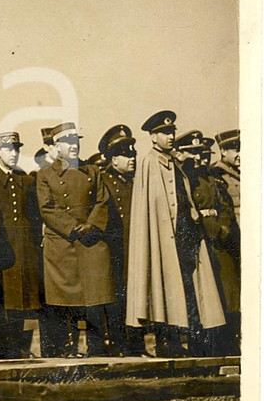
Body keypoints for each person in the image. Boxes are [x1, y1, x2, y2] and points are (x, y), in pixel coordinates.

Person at [126, 111, 225, 356]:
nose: (170, 137)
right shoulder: (149, 163)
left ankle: (189, 341)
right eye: (164, 133)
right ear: (153, 136)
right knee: (162, 288)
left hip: (184, 237)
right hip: (163, 238)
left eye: (171, 132)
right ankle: (165, 342)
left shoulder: (176, 165)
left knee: (188, 290)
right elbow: (150, 206)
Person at [35, 123, 115, 357]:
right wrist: (72, 228)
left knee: (95, 296)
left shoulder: (93, 171)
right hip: (62, 242)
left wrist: (92, 225)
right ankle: (66, 348)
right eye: (67, 142)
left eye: (76, 142)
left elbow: (102, 201)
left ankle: (97, 347)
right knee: (64, 299)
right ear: (56, 146)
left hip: (91, 239)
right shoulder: (45, 175)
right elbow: (47, 209)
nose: (73, 146)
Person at [177, 132, 239, 355]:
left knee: (228, 296)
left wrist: (222, 228)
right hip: (199, 242)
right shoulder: (183, 178)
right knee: (201, 299)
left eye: (200, 153)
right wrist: (206, 227)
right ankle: (202, 350)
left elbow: (224, 206)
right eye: (193, 152)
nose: (198, 158)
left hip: (219, 243)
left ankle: (227, 347)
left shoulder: (211, 177)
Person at [0, 132, 42, 359]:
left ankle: (20, 347)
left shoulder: (25, 180)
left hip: (25, 248)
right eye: (8, 149)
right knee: (2, 299)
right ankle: (1, 347)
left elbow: (34, 216)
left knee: (23, 300)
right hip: (2, 248)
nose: (13, 154)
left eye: (16, 149)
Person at [97, 125, 145, 356]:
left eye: (133, 153)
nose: (132, 158)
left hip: (134, 246)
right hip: (114, 247)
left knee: (136, 295)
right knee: (116, 297)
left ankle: (137, 344)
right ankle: (117, 344)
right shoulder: (103, 180)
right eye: (126, 154)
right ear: (113, 159)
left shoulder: (136, 181)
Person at [211, 129, 240, 222]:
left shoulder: (239, 173)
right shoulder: (216, 173)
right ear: (223, 151)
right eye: (237, 150)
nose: (241, 154)